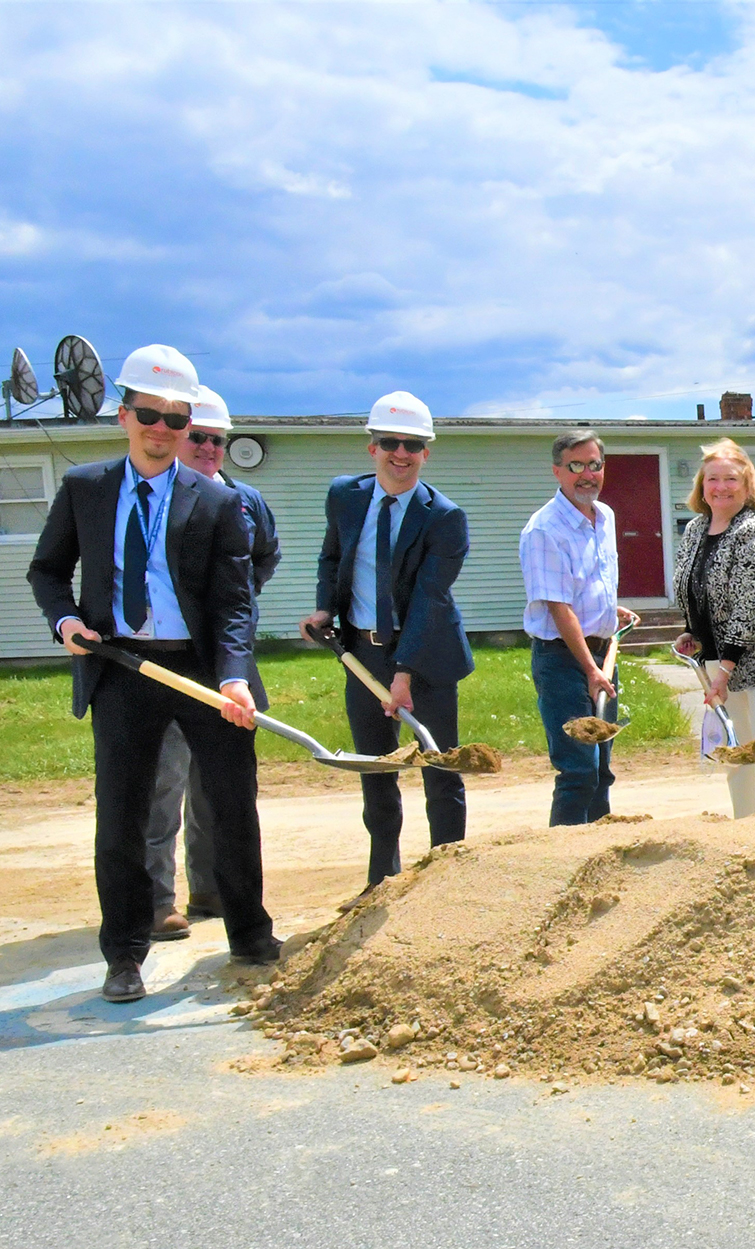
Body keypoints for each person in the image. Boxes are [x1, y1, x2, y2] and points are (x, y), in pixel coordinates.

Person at [27, 345, 280, 1002]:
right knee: (123, 817)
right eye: (149, 413)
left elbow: (233, 602)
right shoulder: (85, 488)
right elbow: (48, 572)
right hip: (122, 667)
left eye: (176, 418)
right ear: (123, 413)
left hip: (203, 669)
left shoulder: (218, 503)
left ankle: (251, 936)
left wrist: (233, 677)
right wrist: (66, 624)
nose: (162, 429)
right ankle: (125, 953)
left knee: (231, 808)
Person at [300, 392, 474, 905]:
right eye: (391, 443)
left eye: (413, 445)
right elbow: (332, 557)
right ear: (371, 447)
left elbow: (429, 599)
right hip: (361, 653)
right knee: (375, 770)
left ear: (428, 452)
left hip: (428, 657)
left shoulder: (444, 517)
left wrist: (404, 673)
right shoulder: (345, 496)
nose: (401, 454)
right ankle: (382, 882)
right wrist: (324, 611)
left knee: (440, 769)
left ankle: (449, 882)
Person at [143, 385, 281, 938]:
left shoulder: (245, 501)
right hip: (168, 662)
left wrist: (234, 611)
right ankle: (156, 902)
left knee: (219, 788)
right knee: (162, 782)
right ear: (177, 436)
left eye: (217, 440)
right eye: (197, 436)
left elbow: (264, 558)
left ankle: (213, 891)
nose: (207, 447)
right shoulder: (156, 498)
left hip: (227, 662)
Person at [671, 438, 755, 818]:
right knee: (737, 757)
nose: (721, 487)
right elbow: (694, 588)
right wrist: (692, 631)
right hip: (721, 658)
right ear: (702, 485)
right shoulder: (696, 531)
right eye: (712, 478)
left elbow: (749, 606)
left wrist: (725, 670)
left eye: (731, 479)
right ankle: (745, 834)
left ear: (748, 486)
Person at [520, 430, 640, 826]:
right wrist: (590, 670)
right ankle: (564, 862)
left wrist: (608, 611)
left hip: (603, 654)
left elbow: (584, 582)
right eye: (576, 466)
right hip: (564, 663)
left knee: (602, 769)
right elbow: (558, 606)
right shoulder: (544, 529)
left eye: (595, 464)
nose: (587, 474)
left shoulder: (604, 517)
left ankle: (598, 856)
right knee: (578, 771)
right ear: (557, 471)